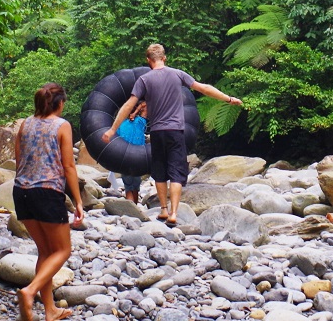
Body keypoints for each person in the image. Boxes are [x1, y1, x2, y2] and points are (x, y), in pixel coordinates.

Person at [102, 43, 241, 226]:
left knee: (159, 172)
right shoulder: (177, 74)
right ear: (164, 58)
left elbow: (129, 105)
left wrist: (112, 129)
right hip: (176, 131)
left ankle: (163, 210)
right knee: (176, 172)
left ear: (148, 60)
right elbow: (203, 88)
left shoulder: (144, 80)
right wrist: (228, 99)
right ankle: (174, 213)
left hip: (157, 132)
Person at [13, 82, 84, 321]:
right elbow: (68, 167)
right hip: (47, 193)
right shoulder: (62, 126)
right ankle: (30, 291)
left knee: (45, 251)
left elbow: (19, 160)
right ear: (60, 103)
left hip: (21, 192)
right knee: (63, 251)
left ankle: (50, 309)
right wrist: (78, 201)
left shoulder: (25, 124)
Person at [116, 101, 148, 203]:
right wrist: (137, 111)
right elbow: (145, 104)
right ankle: (134, 207)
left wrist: (133, 112)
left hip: (124, 156)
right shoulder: (140, 121)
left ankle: (131, 209)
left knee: (128, 185)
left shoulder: (119, 124)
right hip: (138, 156)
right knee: (135, 183)